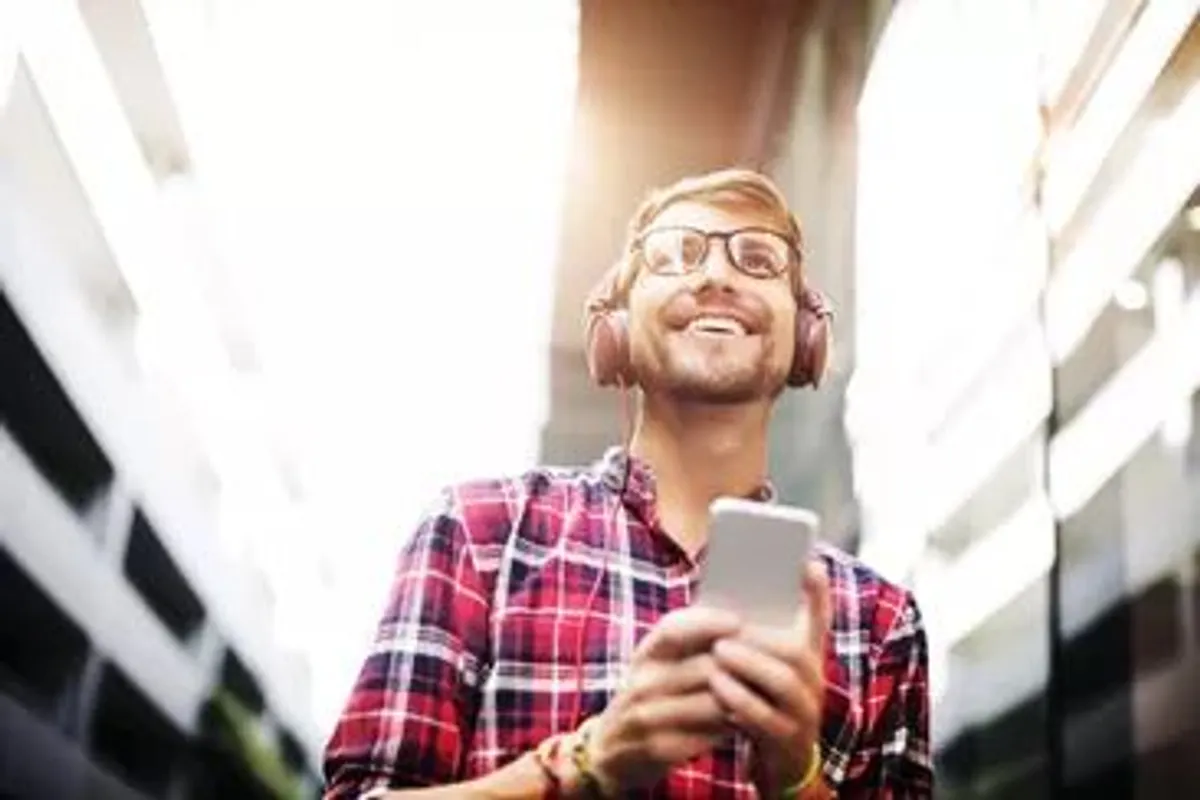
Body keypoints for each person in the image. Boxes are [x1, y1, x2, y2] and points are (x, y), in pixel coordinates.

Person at [322, 168, 932, 799]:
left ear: (809, 335)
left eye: (757, 259)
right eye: (674, 254)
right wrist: (589, 764)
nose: (716, 276)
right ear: (614, 326)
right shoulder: (480, 535)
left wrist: (796, 777)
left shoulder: (880, 624)